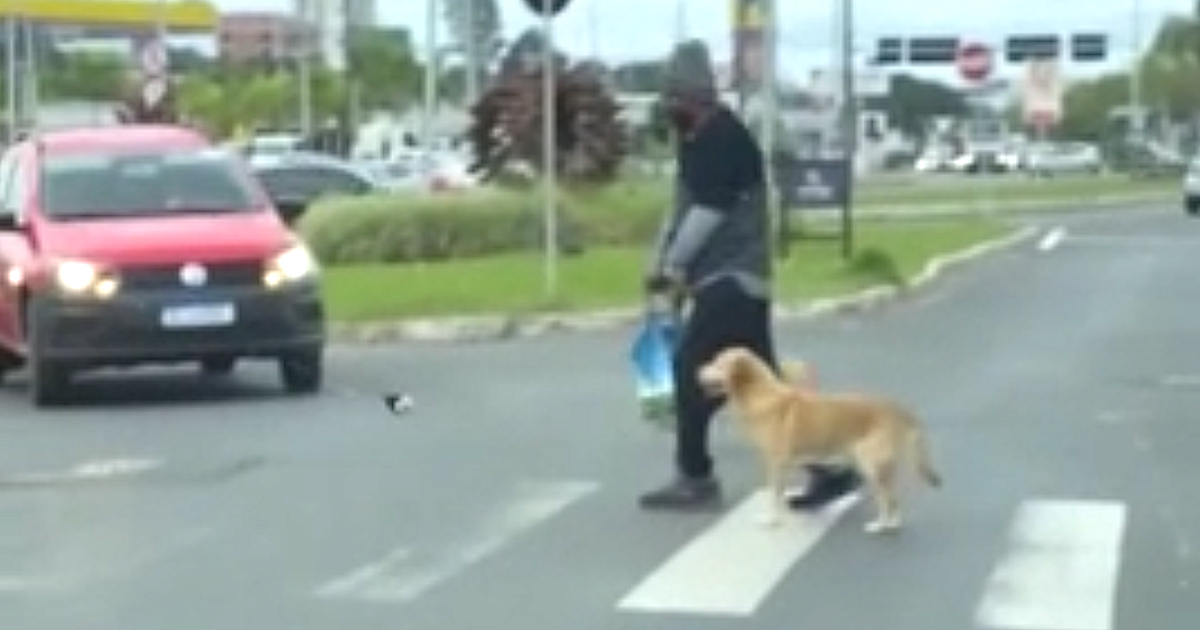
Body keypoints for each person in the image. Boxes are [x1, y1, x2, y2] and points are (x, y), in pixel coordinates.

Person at [638, 39, 861, 512]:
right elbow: (679, 205)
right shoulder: (696, 141)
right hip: (730, 282)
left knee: (691, 371)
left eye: (675, 98)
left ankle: (695, 475)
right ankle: (830, 467)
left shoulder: (724, 138)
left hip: (733, 278)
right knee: (769, 384)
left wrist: (673, 268)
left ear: (697, 96)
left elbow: (709, 211)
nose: (670, 107)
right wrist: (657, 262)